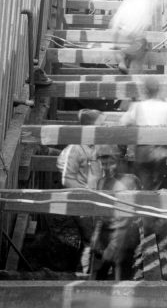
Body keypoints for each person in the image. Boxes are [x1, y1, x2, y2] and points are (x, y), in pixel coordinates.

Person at [56, 109, 105, 275]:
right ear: (90, 128)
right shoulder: (75, 149)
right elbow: (67, 180)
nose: (105, 128)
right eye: (101, 125)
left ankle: (94, 272)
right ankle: (83, 276)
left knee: (96, 239)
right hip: (82, 203)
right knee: (90, 242)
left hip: (96, 200)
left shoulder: (96, 146)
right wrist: (86, 192)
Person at [119, 79, 167, 192]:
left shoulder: (138, 106)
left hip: (143, 152)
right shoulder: (166, 106)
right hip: (160, 153)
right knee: (155, 184)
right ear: (158, 90)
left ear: (145, 91)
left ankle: (145, 200)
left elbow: (123, 121)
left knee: (143, 184)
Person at [90, 144, 142, 280]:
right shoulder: (101, 183)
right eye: (103, 164)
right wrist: (96, 234)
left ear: (119, 162)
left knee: (122, 277)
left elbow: (127, 220)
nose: (107, 168)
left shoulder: (129, 182)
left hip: (124, 237)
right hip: (106, 233)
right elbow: (100, 214)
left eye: (111, 163)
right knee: (98, 275)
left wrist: (113, 246)